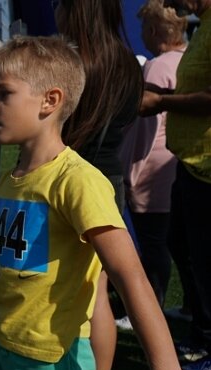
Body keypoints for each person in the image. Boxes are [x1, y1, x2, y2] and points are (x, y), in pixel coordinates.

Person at [0, 35, 209, 370]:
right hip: (2, 350)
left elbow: (132, 279)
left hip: (53, 360)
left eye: (4, 93)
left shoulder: (78, 182)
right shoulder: (10, 178)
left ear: (49, 101)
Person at [55, 0, 144, 370]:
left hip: (65, 180)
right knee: (98, 295)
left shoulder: (68, 58)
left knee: (51, 283)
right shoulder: (127, 63)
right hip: (109, 180)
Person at [141, 0, 211, 370]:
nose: (170, 2)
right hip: (190, 163)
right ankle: (201, 335)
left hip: (206, 167)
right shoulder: (203, 28)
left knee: (204, 259)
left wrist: (161, 102)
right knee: (183, 247)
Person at [118, 0, 187, 324]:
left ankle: (148, 308)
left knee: (153, 244)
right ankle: (189, 304)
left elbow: (144, 129)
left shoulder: (157, 67)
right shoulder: (187, 60)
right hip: (178, 165)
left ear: (154, 30)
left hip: (152, 171)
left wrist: (130, 171)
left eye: (145, 28)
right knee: (180, 243)